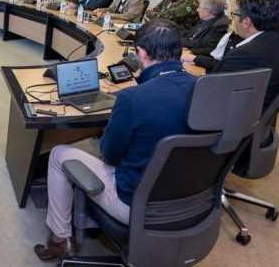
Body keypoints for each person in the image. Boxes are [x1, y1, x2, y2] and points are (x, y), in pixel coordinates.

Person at [34, 20, 196, 261]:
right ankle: (88, 218)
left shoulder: (133, 98)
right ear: (180, 52)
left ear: (140, 53)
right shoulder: (209, 89)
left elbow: (109, 154)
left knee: (58, 154)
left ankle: (60, 239)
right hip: (192, 199)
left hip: (136, 204)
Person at [212, 0, 279, 110]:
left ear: (246, 22)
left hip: (233, 118)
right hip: (258, 111)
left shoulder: (244, 55)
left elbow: (213, 95)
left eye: (234, 15)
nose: (232, 19)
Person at [181, 0, 246, 71]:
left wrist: (191, 53)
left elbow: (210, 49)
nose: (197, 10)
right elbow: (191, 33)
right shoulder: (204, 19)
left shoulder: (222, 25)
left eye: (232, 12)